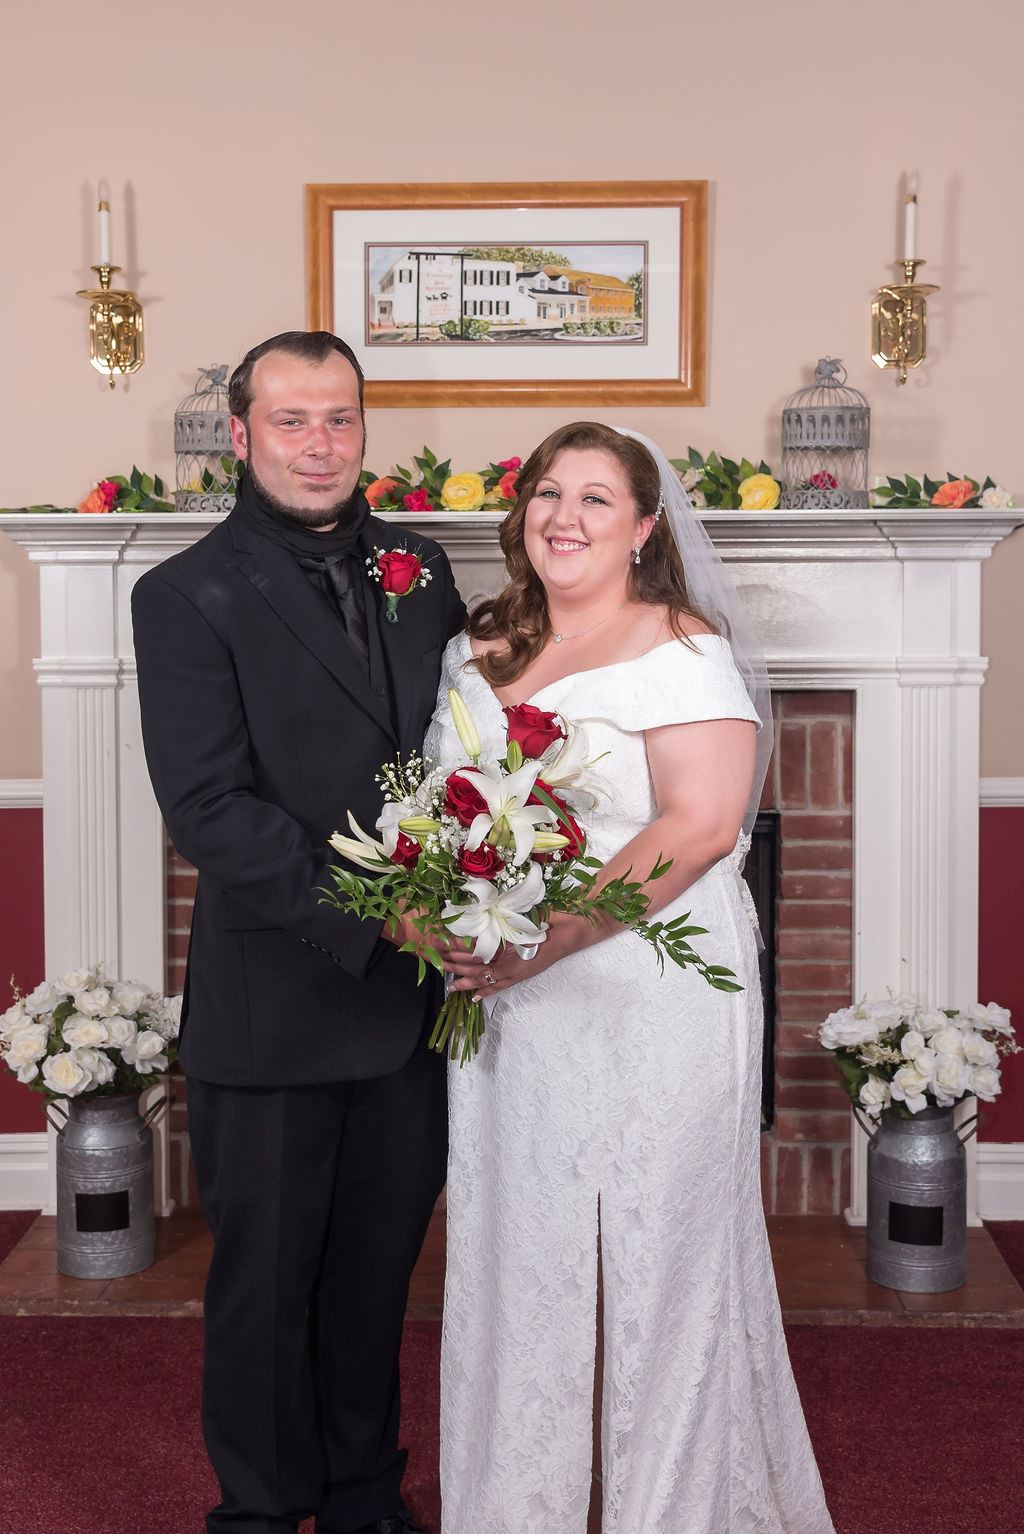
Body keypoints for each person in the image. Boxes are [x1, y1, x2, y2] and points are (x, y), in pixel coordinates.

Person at [428, 422, 836, 1533]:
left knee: (662, 1254)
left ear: (646, 528)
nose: (564, 516)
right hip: (516, 1005)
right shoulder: (480, 651)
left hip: (652, 986)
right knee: (520, 1256)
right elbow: (434, 816)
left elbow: (701, 826)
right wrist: (436, 924)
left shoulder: (680, 644)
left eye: (597, 499)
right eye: (547, 493)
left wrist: (549, 934)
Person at [132, 331, 465, 1534]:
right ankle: (264, 1515)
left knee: (375, 1283)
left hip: (409, 1013)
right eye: (292, 421)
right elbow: (209, 810)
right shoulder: (182, 593)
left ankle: (367, 1496)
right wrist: (386, 917)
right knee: (267, 1293)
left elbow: (461, 758)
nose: (320, 446)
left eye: (340, 420)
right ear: (241, 433)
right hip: (273, 1001)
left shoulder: (423, 569)